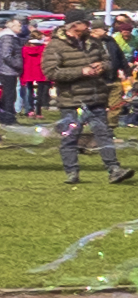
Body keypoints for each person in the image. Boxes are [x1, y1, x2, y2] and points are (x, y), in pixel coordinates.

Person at [53, 14, 128, 190]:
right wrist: (81, 71)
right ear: (74, 25)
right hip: (71, 100)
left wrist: (103, 66)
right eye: (86, 22)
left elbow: (109, 61)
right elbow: (51, 72)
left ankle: (114, 169)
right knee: (71, 137)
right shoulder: (56, 45)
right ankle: (72, 172)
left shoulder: (94, 43)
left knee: (103, 134)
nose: (89, 25)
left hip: (96, 97)